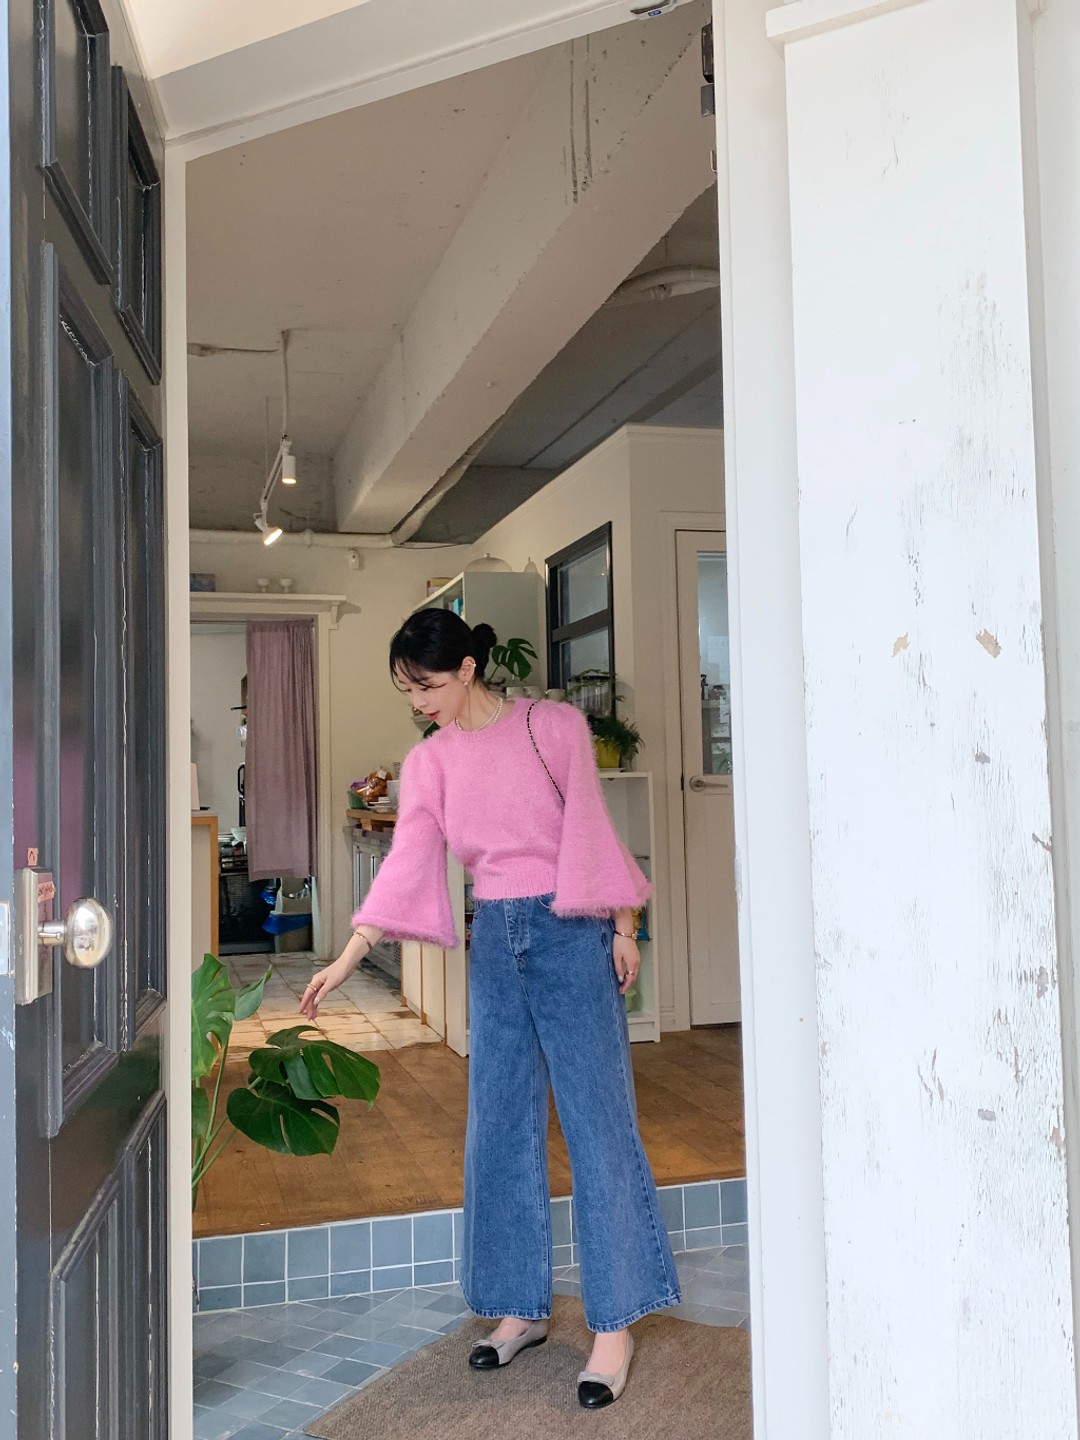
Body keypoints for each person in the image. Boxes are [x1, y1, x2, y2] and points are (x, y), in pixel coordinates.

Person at [300, 610, 680, 1408]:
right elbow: (409, 860)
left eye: (428, 685)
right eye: (407, 691)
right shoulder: (430, 762)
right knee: (498, 1126)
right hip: (496, 941)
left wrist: (624, 925)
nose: (419, 702)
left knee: (599, 1124)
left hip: (571, 931)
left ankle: (614, 1325)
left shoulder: (552, 728)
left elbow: (592, 830)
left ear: (468, 668)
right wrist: (348, 954)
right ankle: (519, 1308)